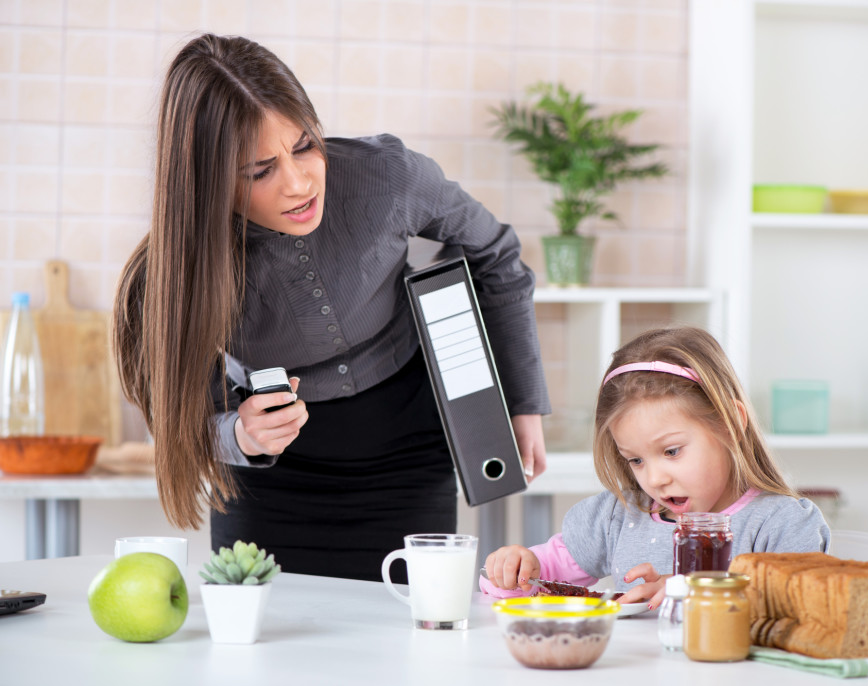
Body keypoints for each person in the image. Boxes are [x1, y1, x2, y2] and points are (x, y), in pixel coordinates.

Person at [112, 33, 550, 581]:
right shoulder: (167, 275)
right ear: (206, 180)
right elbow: (179, 421)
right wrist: (241, 436)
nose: (298, 184)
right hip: (273, 481)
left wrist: (520, 401)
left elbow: (497, 254)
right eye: (258, 171)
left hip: (411, 454)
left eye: (302, 146)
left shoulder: (389, 177)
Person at [481, 326, 828, 607]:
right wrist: (515, 569)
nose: (655, 479)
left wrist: (697, 591)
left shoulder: (781, 523)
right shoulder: (617, 517)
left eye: (672, 451)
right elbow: (536, 585)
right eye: (636, 460)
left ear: (730, 424)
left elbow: (803, 607)